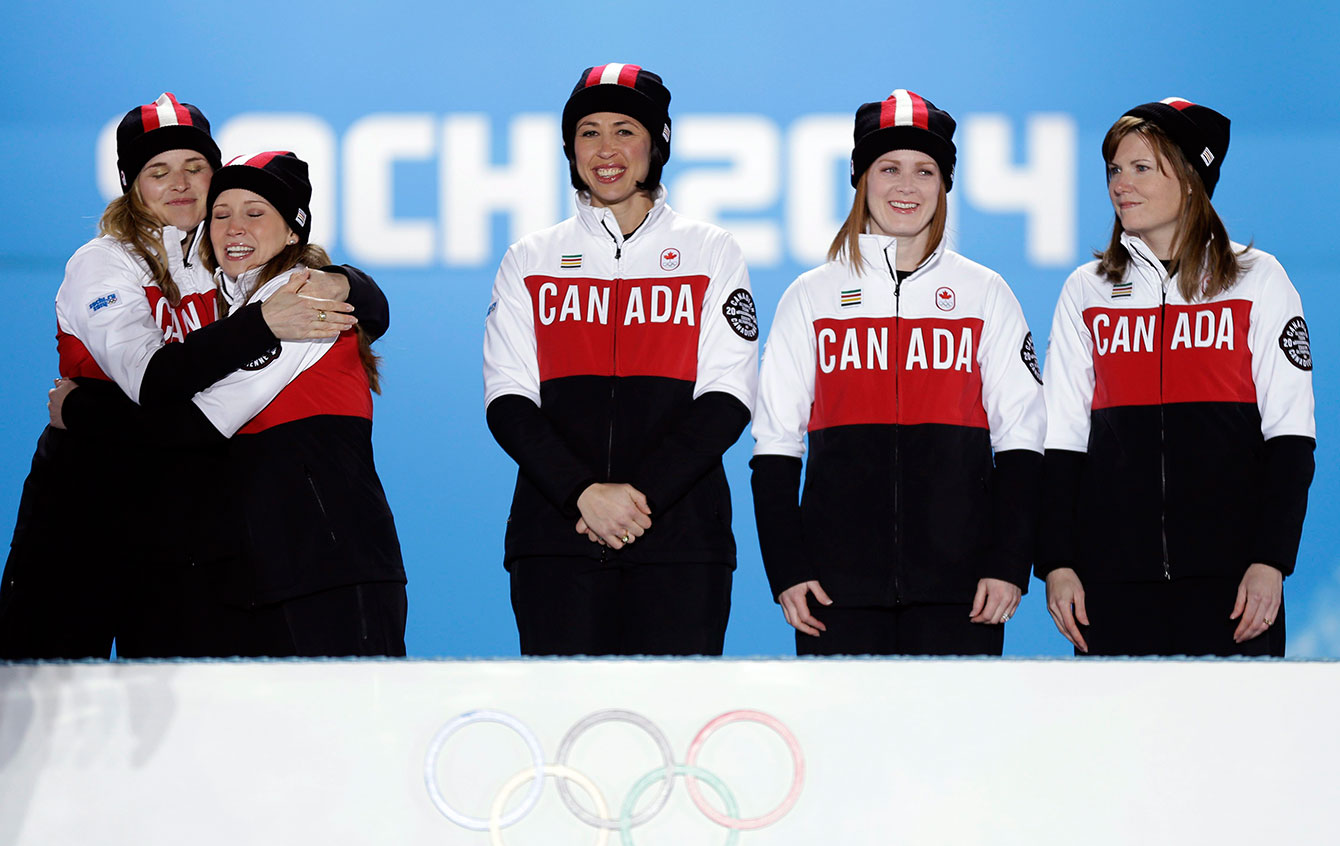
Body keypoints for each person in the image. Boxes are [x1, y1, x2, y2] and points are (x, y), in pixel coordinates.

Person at [0, 92, 386, 660]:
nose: (179, 184)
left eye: (195, 167)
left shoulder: (225, 263)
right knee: (44, 688)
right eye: (158, 171)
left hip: (185, 520)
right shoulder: (102, 262)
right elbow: (153, 381)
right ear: (131, 183)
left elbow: (356, 305)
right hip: (88, 502)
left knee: (173, 692)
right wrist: (263, 323)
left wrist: (350, 284)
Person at [751, 90, 1045, 656]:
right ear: (861, 179)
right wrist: (787, 568)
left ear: (945, 185)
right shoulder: (811, 296)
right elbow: (775, 446)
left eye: (924, 170)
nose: (906, 186)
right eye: (889, 168)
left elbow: (1022, 442)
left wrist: (1009, 563)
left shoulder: (986, 293)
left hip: (964, 592)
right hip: (835, 591)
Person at [483, 64, 758, 656]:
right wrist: (582, 493)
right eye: (589, 132)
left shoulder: (712, 250)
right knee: (562, 712)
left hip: (681, 545)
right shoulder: (529, 257)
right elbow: (507, 400)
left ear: (657, 144)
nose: (605, 149)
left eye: (624, 130)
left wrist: (635, 502)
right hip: (556, 542)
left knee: (675, 713)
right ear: (570, 149)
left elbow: (728, 397)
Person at [1036, 97, 1315, 657]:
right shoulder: (1086, 290)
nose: (1120, 184)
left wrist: (1270, 560)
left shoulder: (1260, 280)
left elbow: (1290, 436)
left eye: (1142, 168)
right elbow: (1061, 438)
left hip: (1233, 586)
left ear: (1190, 179)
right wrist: (1058, 562)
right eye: (1115, 169)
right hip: (1111, 585)